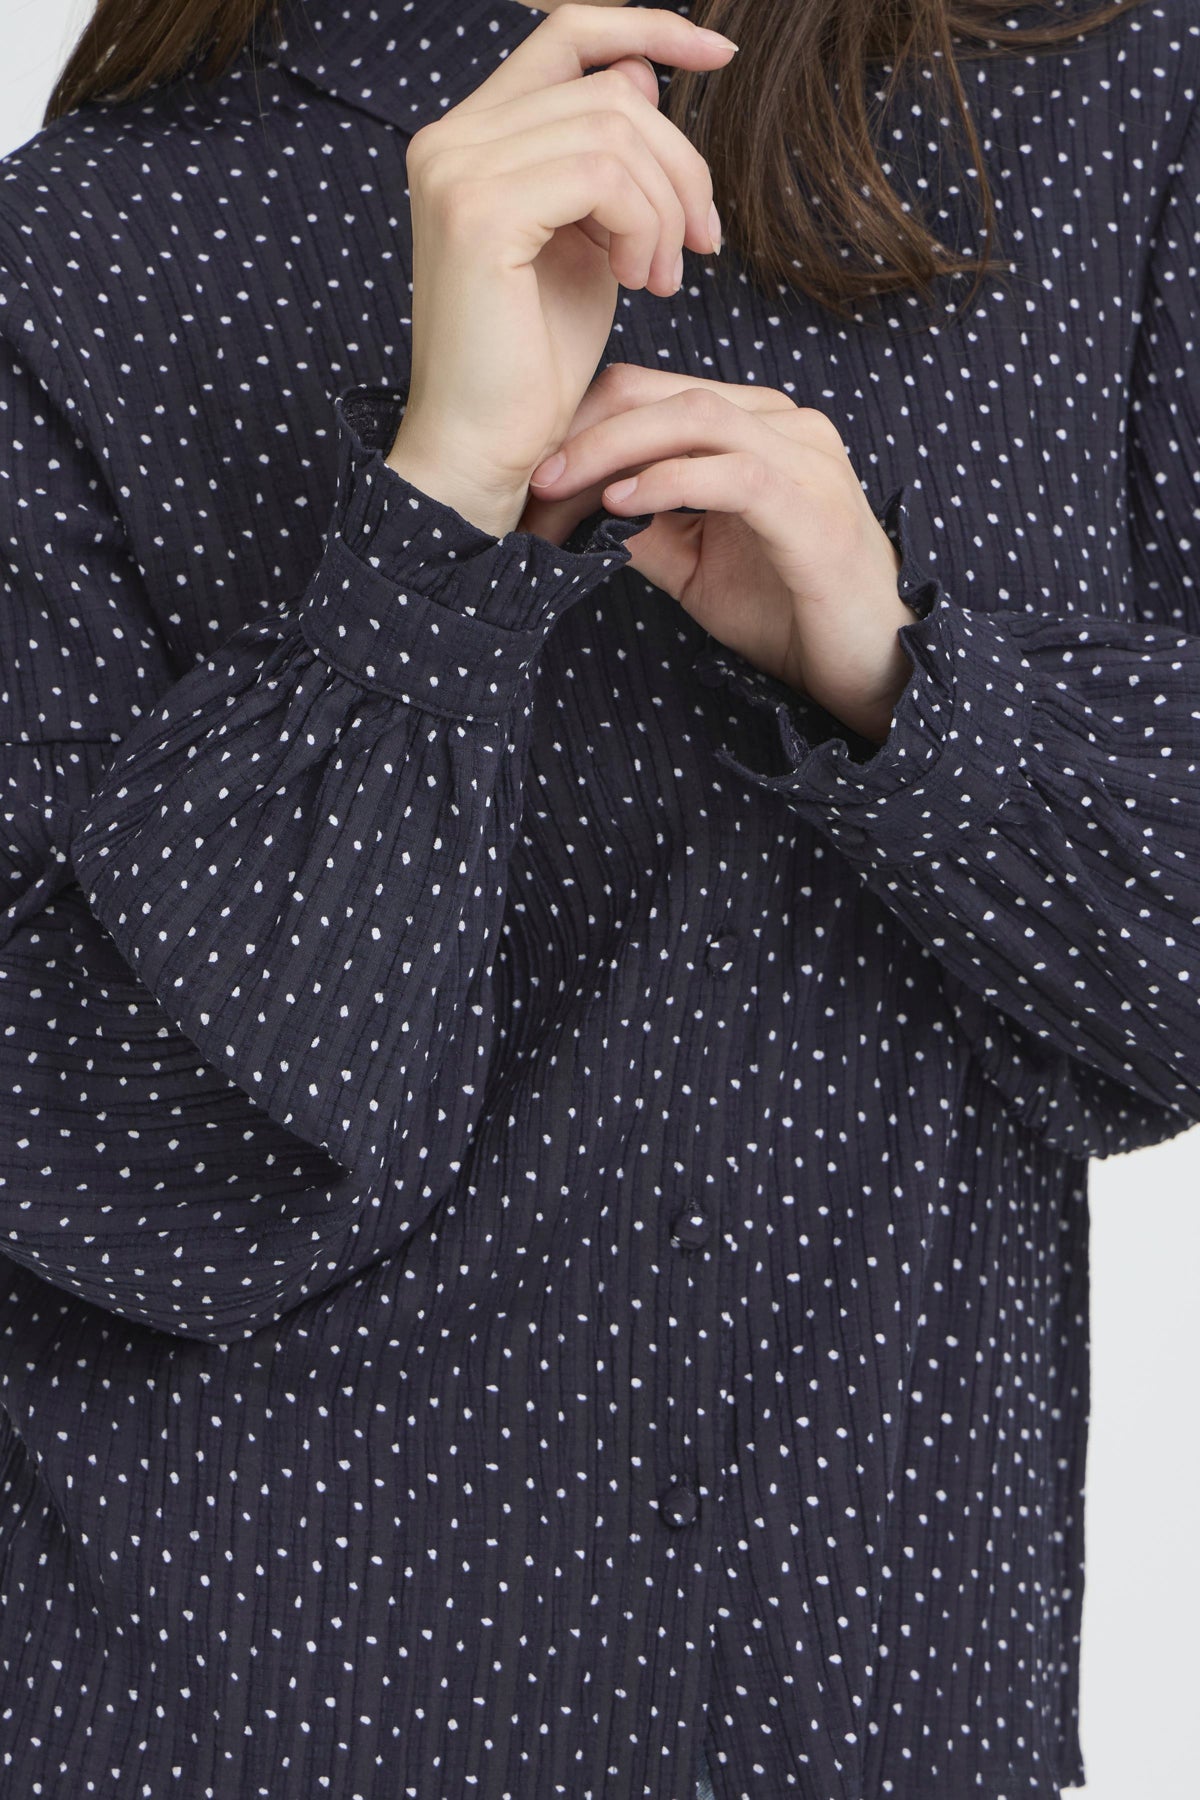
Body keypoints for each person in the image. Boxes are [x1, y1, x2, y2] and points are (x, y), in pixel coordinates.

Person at [0, 0, 1196, 1794]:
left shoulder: (1100, 99)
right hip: (227, 1693)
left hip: (847, 1697)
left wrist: (897, 679)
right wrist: (438, 514)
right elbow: (103, 1167)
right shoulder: (99, 234)